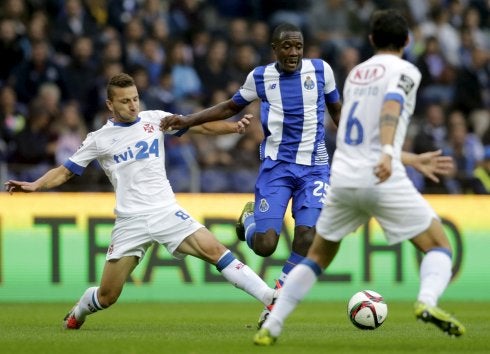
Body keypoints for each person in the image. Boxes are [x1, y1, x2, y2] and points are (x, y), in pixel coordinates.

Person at [253, 9, 466, 346]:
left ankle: (273, 324)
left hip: (344, 177)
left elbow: (356, 134)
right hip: (382, 175)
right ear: (408, 41)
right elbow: (392, 106)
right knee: (439, 246)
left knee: (317, 256)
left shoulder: (355, 75)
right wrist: (389, 153)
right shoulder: (406, 69)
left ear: (370, 40)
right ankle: (427, 301)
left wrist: (404, 155)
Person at [4, 73, 279, 330]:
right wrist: (36, 184)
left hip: (165, 211)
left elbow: (199, 126)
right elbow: (64, 171)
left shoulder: (155, 119)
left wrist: (232, 128)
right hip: (130, 221)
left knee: (216, 250)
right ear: (110, 104)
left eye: (135, 98)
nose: (133, 105)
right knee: (107, 296)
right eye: (125, 101)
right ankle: (79, 312)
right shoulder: (99, 140)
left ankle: (269, 297)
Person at [160, 22, 343, 328]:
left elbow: (339, 112)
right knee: (265, 245)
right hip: (277, 168)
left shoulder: (322, 71)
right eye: (287, 46)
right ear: (275, 49)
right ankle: (249, 220)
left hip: (315, 168)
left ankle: (279, 297)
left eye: (298, 46)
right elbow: (230, 106)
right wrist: (189, 120)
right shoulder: (260, 77)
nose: (294, 53)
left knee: (308, 237)